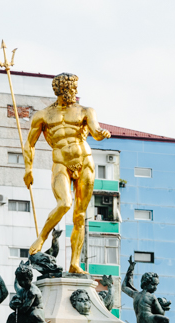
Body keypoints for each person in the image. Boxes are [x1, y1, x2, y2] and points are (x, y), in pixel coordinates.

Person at [23, 73, 111, 272]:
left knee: (79, 215)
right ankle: (42, 237)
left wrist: (102, 133)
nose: (73, 92)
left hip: (85, 161)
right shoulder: (44, 115)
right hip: (61, 162)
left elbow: (96, 132)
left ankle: (74, 263)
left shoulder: (86, 111)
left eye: (74, 88)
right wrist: (28, 169)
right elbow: (29, 143)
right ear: (59, 91)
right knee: (64, 203)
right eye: (69, 89)